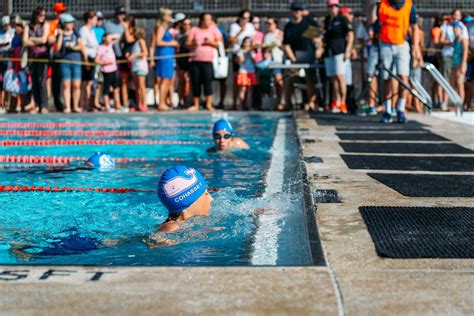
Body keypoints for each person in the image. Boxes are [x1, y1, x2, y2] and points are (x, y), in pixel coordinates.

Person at [376, 0, 421, 123]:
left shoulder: (409, 5)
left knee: (403, 78)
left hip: (402, 44)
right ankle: (388, 111)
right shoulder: (383, 4)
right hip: (386, 43)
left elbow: (414, 27)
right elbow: (373, 21)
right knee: (387, 77)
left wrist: (416, 47)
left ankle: (400, 109)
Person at [151, 165, 214, 243]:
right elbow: (154, 240)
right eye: (206, 194)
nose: (211, 199)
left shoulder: (192, 222)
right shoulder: (172, 226)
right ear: (189, 202)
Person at [283, 2, 320, 110]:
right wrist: (292, 57)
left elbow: (318, 36)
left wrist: (318, 48)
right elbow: (286, 44)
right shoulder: (289, 27)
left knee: (310, 80)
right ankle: (287, 102)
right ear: (292, 11)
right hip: (295, 56)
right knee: (291, 79)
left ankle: (311, 102)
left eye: (299, 10)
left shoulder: (308, 22)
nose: (298, 12)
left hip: (309, 54)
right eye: (296, 10)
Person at [186, 12, 223, 112]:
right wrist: (194, 43)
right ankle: (196, 104)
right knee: (195, 82)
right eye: (206, 19)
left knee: (208, 82)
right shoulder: (194, 30)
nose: (208, 22)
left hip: (208, 61)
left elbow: (220, 43)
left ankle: (208, 104)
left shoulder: (214, 30)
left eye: (209, 19)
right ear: (201, 20)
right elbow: (187, 43)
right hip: (195, 60)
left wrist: (210, 42)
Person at [322, 0, 354, 114]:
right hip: (329, 52)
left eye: (335, 6)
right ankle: (336, 101)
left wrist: (348, 50)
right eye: (330, 6)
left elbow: (350, 34)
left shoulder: (342, 19)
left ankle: (343, 102)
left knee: (340, 78)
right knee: (333, 79)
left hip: (339, 51)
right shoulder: (327, 20)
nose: (332, 8)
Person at [23, 6, 50, 114]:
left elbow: (44, 39)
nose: (43, 17)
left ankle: (44, 106)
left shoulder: (46, 25)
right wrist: (35, 41)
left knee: (41, 80)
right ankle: (38, 105)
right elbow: (25, 41)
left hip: (43, 56)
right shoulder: (28, 26)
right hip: (31, 57)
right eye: (40, 15)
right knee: (34, 81)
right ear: (35, 15)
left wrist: (32, 39)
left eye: (44, 15)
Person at [150, 8, 178, 111]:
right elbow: (158, 42)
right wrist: (173, 43)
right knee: (164, 80)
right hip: (164, 56)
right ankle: (161, 103)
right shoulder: (161, 27)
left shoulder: (166, 28)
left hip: (169, 56)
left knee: (168, 80)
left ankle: (164, 101)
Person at [55, 13, 83, 113]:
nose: (71, 24)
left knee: (76, 85)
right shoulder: (60, 33)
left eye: (72, 22)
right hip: (64, 60)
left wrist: (74, 47)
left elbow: (81, 46)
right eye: (69, 22)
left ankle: (75, 106)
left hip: (76, 60)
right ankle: (67, 106)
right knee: (66, 84)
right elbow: (57, 48)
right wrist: (60, 35)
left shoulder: (76, 33)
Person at [229, 10, 256, 109]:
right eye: (244, 18)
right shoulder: (234, 26)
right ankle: (236, 104)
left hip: (248, 56)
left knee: (248, 87)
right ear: (240, 18)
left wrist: (251, 49)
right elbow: (232, 41)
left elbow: (253, 40)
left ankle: (247, 105)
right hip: (237, 53)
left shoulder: (250, 26)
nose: (246, 20)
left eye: (248, 18)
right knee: (237, 82)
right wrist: (241, 31)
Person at [105, 6, 127, 108]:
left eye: (123, 14)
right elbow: (105, 39)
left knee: (122, 80)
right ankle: (110, 102)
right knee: (110, 81)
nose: (122, 16)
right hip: (111, 57)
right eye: (120, 14)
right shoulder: (108, 25)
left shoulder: (125, 25)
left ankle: (122, 102)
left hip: (123, 56)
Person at [95, 32, 121, 112]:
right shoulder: (101, 48)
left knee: (116, 88)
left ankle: (118, 105)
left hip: (114, 69)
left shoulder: (110, 45)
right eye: (108, 37)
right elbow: (96, 60)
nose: (110, 39)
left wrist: (111, 37)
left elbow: (118, 36)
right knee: (106, 89)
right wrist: (105, 63)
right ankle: (107, 105)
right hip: (106, 71)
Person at [48, 2, 66, 112]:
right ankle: (56, 103)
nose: (62, 14)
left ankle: (66, 104)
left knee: (66, 81)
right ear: (55, 12)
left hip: (67, 56)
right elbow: (50, 39)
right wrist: (58, 35)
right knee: (54, 81)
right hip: (55, 56)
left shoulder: (67, 22)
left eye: (63, 11)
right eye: (60, 12)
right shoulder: (52, 24)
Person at [79, 11, 99, 112]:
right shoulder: (84, 30)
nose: (96, 21)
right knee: (85, 82)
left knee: (90, 82)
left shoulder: (92, 31)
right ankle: (83, 103)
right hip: (86, 58)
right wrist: (86, 60)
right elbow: (82, 45)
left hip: (93, 58)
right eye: (95, 19)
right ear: (89, 20)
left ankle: (87, 103)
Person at [264, 17, 284, 109]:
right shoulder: (267, 36)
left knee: (279, 81)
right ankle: (276, 102)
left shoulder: (279, 33)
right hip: (270, 62)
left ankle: (281, 101)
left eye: (270, 23)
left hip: (279, 60)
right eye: (267, 23)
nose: (268, 25)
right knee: (273, 83)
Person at [127, 27, 149, 112]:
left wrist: (134, 55)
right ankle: (139, 103)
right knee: (137, 87)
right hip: (135, 66)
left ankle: (144, 104)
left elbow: (145, 52)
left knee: (141, 87)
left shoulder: (141, 41)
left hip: (141, 66)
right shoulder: (135, 43)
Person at [236, 37, 257, 110]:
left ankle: (249, 105)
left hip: (251, 71)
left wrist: (250, 54)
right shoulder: (240, 51)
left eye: (249, 42)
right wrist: (246, 54)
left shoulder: (252, 52)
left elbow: (255, 62)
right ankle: (240, 105)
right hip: (243, 72)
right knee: (243, 89)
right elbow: (241, 61)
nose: (247, 44)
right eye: (246, 42)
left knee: (250, 91)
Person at [451, 21, 469, 105]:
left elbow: (465, 52)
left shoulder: (463, 40)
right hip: (454, 63)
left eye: (457, 29)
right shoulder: (455, 40)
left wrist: (462, 65)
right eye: (454, 29)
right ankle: (456, 103)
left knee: (460, 84)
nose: (455, 30)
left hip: (461, 64)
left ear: (461, 30)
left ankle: (461, 104)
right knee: (453, 84)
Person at [439, 13, 454, 111]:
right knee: (446, 79)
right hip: (447, 55)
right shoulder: (445, 27)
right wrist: (452, 42)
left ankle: (453, 102)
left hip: (457, 56)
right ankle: (444, 102)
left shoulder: (461, 27)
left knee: (456, 81)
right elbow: (441, 40)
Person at [176, 17, 192, 108]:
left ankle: (188, 100)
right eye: (185, 24)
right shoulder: (179, 36)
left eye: (189, 24)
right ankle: (180, 101)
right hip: (182, 60)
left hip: (191, 59)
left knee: (189, 82)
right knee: (181, 81)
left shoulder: (193, 34)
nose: (187, 26)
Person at [0, 16, 14, 113]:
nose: (6, 27)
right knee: (1, 83)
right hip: (1, 61)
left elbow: (11, 45)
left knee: (8, 82)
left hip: (9, 61)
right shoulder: (0, 32)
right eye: (4, 25)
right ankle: (2, 104)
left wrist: (5, 46)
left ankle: (9, 104)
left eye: (7, 25)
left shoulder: (12, 32)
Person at [93, 11, 106, 110]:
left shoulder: (102, 30)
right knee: (92, 82)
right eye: (98, 19)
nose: (99, 21)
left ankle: (97, 101)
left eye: (101, 19)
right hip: (93, 58)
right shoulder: (91, 30)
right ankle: (91, 102)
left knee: (99, 82)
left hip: (102, 59)